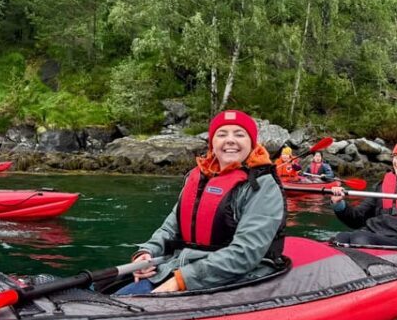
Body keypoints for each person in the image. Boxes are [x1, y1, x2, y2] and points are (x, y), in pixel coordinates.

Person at [115, 110, 286, 295]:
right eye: (222, 134)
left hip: (237, 275)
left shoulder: (262, 186)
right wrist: (147, 252)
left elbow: (245, 252)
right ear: (212, 142)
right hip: (184, 264)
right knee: (100, 289)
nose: (230, 140)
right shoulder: (198, 177)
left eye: (239, 134)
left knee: (125, 299)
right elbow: (170, 228)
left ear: (251, 143)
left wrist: (181, 281)